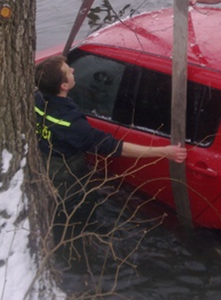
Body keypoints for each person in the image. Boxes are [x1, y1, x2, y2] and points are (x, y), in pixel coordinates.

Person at [34, 55, 188, 203]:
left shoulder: (36, 98)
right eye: (68, 71)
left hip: (45, 161)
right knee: (75, 203)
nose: (73, 70)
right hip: (65, 180)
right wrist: (164, 152)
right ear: (64, 86)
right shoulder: (73, 125)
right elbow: (116, 147)